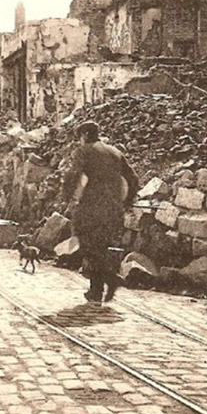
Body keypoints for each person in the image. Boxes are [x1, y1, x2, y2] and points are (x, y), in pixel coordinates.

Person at [63, 120, 139, 303]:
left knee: (85, 243)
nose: (79, 141)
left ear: (85, 135)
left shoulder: (83, 151)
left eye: (80, 137)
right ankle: (95, 292)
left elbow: (73, 175)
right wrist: (128, 202)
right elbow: (133, 178)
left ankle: (111, 278)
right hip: (113, 210)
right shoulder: (115, 152)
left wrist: (68, 198)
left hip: (91, 208)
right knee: (100, 248)